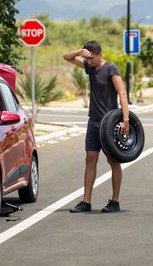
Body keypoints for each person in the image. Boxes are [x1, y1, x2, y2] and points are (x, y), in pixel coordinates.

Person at [63, 40, 129, 213]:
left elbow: (122, 92)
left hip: (109, 123)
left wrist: (126, 119)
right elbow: (67, 57)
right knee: (90, 159)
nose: (89, 62)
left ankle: (115, 201)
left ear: (100, 54)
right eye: (88, 58)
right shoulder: (90, 66)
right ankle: (86, 202)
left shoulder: (111, 69)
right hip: (93, 121)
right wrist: (79, 51)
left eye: (92, 58)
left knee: (113, 160)